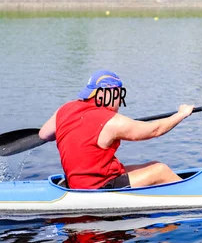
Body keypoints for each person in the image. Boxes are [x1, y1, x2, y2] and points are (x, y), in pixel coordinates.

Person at [38, 70, 193, 190]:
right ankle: (194, 196)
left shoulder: (64, 109)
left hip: (75, 182)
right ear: (108, 93)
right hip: (97, 187)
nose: (119, 101)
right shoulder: (112, 122)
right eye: (118, 95)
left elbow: (44, 134)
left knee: (151, 165)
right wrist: (181, 114)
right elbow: (155, 130)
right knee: (160, 170)